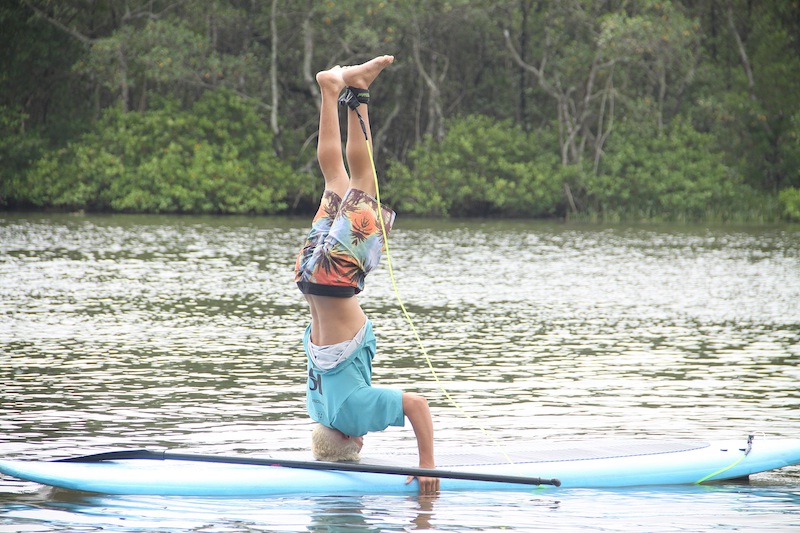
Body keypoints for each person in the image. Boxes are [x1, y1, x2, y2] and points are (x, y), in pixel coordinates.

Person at [294, 55, 439, 494]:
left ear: (352, 441)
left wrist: (427, 465)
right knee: (334, 179)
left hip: (335, 280)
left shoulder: (351, 417)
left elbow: (417, 404)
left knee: (363, 180)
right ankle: (330, 90)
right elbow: (328, 432)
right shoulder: (319, 407)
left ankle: (356, 91)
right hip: (307, 278)